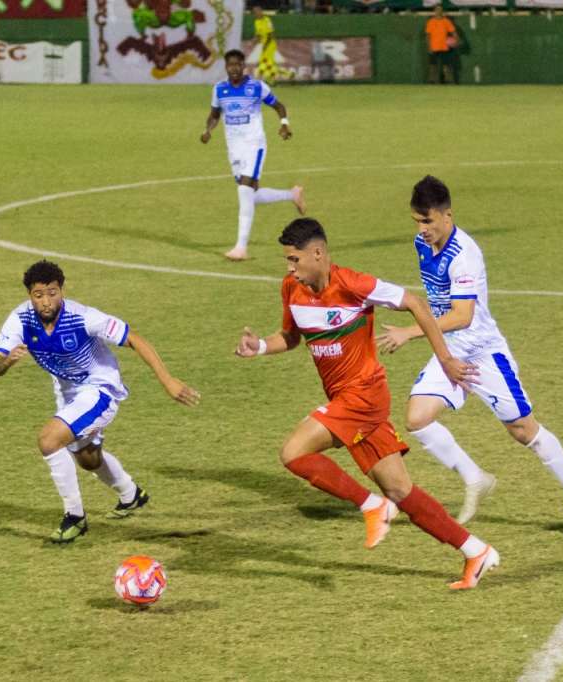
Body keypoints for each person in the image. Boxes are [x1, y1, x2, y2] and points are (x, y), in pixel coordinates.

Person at [235, 218, 499, 590]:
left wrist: (445, 361)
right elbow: (290, 337)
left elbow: (415, 303)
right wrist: (260, 346)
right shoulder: (291, 290)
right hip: (347, 401)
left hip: (365, 396)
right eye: (287, 261)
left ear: (318, 253)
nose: (289, 268)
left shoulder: (355, 285)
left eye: (294, 260)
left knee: (294, 452)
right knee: (400, 490)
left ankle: (371, 506)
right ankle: (476, 551)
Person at [377, 176, 563, 537]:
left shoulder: (465, 255)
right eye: (417, 221)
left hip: (482, 353)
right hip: (449, 348)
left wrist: (410, 331)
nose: (422, 228)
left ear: (447, 215)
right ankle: (475, 478)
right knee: (417, 418)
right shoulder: (421, 244)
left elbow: (462, 316)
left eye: (428, 220)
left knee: (522, 429)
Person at [0, 260, 200, 543]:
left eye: (52, 292)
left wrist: (168, 380)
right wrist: (5, 361)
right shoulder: (20, 320)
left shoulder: (83, 317)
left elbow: (134, 339)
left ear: (61, 290)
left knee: (49, 440)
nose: (46, 301)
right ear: (30, 296)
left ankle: (75, 517)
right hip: (68, 393)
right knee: (88, 459)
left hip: (101, 390)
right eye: (39, 295)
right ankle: (131, 494)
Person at [201, 49, 306, 262]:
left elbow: (279, 106)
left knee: (243, 190)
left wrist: (284, 124)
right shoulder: (220, 89)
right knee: (249, 194)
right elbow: (214, 115)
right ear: (226, 67)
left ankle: (241, 247)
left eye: (238, 64)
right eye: (230, 65)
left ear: (243, 66)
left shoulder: (257, 87)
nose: (234, 68)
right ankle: (291, 194)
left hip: (254, 144)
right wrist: (208, 130)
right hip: (234, 148)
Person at [252, 5, 294, 86]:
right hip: (264, 44)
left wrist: (266, 45)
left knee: (266, 63)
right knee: (269, 64)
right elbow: (258, 34)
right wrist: (254, 40)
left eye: (258, 11)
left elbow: (271, 34)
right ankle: (288, 74)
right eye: (255, 12)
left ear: (261, 11)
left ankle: (270, 80)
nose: (256, 14)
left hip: (270, 44)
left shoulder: (267, 20)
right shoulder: (256, 22)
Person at [424, 4, 457, 85]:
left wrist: (456, 40)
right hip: (434, 47)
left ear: (442, 11)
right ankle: (432, 81)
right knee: (433, 65)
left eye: (440, 10)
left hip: (444, 47)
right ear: (434, 11)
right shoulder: (430, 22)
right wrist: (429, 47)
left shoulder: (446, 21)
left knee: (446, 65)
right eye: (437, 9)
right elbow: (427, 36)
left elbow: (453, 32)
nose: (439, 11)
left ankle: (447, 80)